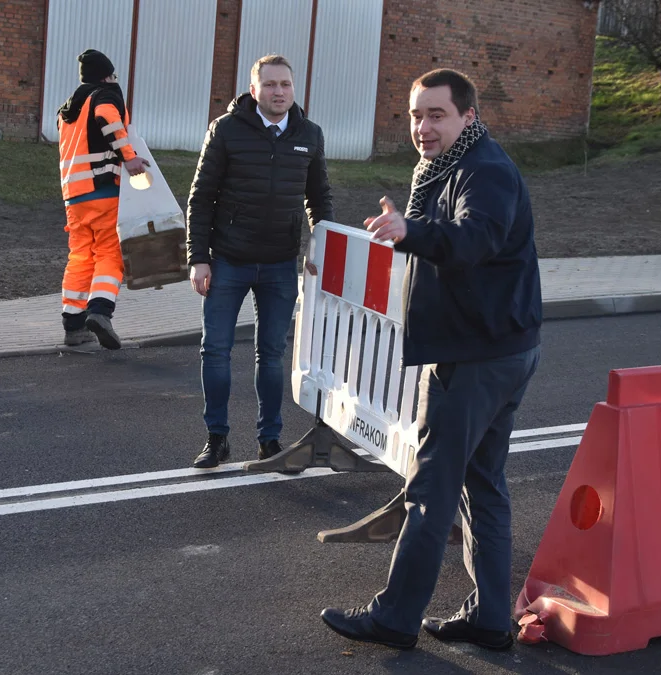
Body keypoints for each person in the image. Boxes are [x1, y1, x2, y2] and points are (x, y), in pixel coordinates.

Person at [319, 69, 542, 651]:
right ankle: (492, 619)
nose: (422, 127)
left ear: (468, 115)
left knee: (431, 488)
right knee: (482, 485)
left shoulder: (484, 171)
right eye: (416, 115)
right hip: (493, 346)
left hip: (474, 356)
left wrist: (411, 230)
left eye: (436, 115)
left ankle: (394, 619)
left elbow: (473, 241)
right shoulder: (449, 167)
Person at [185, 54, 333, 468]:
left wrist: (323, 250)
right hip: (227, 261)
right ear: (254, 90)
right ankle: (217, 439)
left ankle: (270, 439)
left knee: (270, 354)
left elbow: (319, 200)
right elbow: (200, 198)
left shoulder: (310, 135)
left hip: (280, 266)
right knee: (214, 350)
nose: (279, 92)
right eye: (270, 85)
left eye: (285, 84)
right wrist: (198, 259)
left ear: (293, 88)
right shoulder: (227, 130)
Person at [56, 49, 149, 349]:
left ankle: (73, 325)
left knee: (80, 258)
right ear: (106, 75)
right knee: (110, 253)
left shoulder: (66, 111)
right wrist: (130, 158)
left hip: (74, 197)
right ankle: (100, 311)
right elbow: (108, 120)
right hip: (104, 189)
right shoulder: (104, 96)